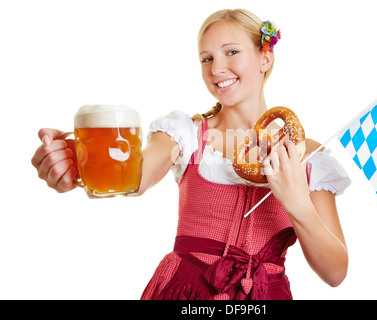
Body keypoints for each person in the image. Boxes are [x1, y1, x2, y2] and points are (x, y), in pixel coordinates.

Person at [31, 8, 351, 300]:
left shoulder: (309, 158)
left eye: (232, 52)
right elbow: (135, 179)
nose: (217, 68)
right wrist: (79, 164)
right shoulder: (185, 134)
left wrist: (297, 201)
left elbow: (335, 273)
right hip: (186, 294)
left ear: (265, 57)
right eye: (206, 58)